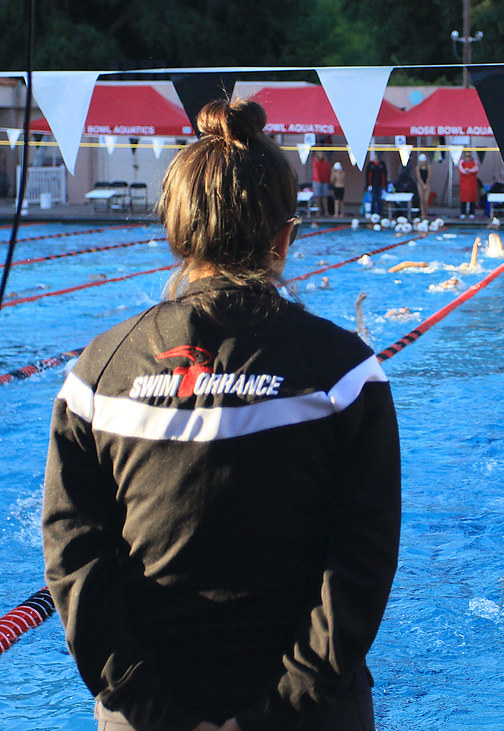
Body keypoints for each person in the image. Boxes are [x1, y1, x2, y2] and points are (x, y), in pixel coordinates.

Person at [42, 99, 401, 730]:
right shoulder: (344, 374)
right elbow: (361, 562)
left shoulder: (98, 372)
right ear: (285, 237)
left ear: (175, 234)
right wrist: (281, 708)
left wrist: (148, 708)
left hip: (144, 715)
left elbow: (74, 558)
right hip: (310, 715)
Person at [457, 150, 480, 219]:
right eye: (466, 156)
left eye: (469, 156)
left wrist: (468, 170)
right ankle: (463, 212)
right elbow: (462, 170)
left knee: (472, 198)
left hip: (472, 183)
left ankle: (472, 212)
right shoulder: (461, 162)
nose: (468, 158)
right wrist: (468, 170)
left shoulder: (474, 162)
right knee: (463, 198)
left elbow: (476, 169)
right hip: (464, 183)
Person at [365, 152, 388, 217]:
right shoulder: (371, 164)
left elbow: (385, 175)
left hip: (380, 184)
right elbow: (367, 175)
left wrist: (384, 185)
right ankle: (373, 213)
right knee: (373, 199)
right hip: (373, 184)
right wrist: (368, 185)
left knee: (379, 199)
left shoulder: (382, 164)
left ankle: (380, 213)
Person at [311, 150, 331, 217]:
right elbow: (315, 171)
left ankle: (326, 211)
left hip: (324, 180)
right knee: (318, 197)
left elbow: (328, 171)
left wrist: (328, 180)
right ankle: (318, 212)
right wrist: (318, 179)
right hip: (317, 181)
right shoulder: (315, 160)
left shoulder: (325, 161)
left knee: (325, 196)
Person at [413, 153, 432, 218]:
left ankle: (426, 213)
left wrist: (426, 184)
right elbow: (418, 177)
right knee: (422, 199)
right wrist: (423, 184)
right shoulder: (417, 167)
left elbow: (429, 176)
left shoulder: (428, 167)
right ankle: (422, 214)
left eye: (423, 161)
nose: (422, 162)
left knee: (426, 200)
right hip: (420, 184)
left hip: (427, 184)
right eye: (421, 161)